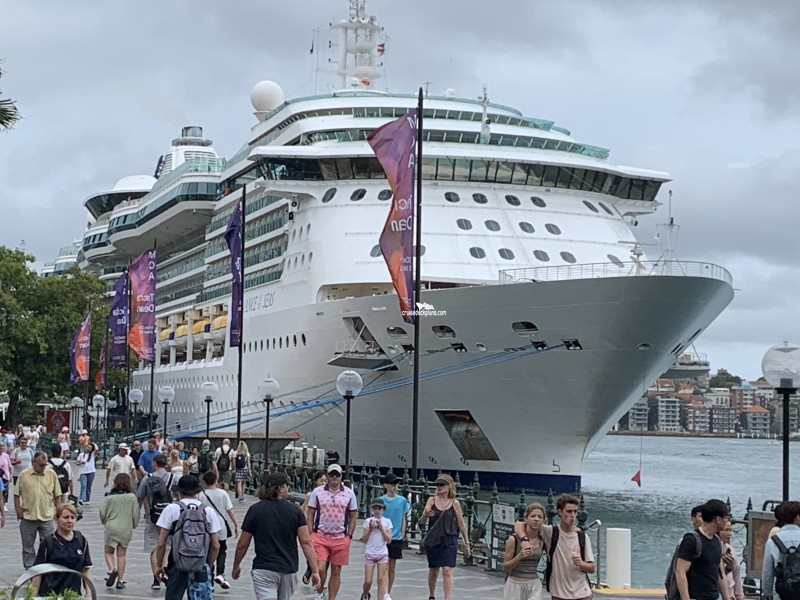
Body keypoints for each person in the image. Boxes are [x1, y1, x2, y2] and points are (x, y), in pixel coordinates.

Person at [232, 472, 321, 600]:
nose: (288, 489)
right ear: (280, 488)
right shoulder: (295, 511)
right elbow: (306, 542)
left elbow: (243, 543)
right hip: (288, 569)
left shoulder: (255, 510)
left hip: (264, 568)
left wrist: (236, 565)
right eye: (286, 486)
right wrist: (315, 570)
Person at [155, 474, 222, 600]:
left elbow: (161, 543)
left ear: (179, 491)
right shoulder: (208, 511)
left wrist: (159, 565)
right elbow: (216, 545)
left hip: (177, 563)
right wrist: (208, 564)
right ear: (197, 492)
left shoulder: (172, 509)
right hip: (200, 563)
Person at [307, 463, 359, 600]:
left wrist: (349, 536)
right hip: (320, 535)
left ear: (341, 476)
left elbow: (353, 515)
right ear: (328, 476)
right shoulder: (317, 492)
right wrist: (311, 533)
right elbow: (310, 513)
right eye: (332, 474)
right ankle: (320, 593)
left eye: (337, 474)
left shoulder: (349, 493)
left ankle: (332, 598)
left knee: (336, 570)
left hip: (340, 537)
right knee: (320, 568)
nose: (334, 477)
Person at [420, 474, 471, 600]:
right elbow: (421, 521)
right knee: (433, 570)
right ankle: (431, 595)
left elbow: (461, 523)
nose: (439, 487)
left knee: (447, 570)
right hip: (434, 539)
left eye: (442, 485)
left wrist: (467, 543)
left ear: (449, 487)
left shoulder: (455, 503)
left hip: (450, 538)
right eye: (437, 485)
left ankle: (447, 598)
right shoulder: (432, 500)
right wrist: (426, 515)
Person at [15, 450, 62, 568]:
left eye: (45, 465)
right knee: (27, 546)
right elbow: (16, 494)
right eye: (41, 465)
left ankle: (45, 567)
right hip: (28, 516)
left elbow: (57, 495)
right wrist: (18, 510)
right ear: (33, 462)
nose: (43, 467)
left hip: (47, 516)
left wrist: (59, 512)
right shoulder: (24, 475)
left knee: (49, 544)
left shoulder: (51, 474)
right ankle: (30, 568)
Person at [676, 498, 730, 600]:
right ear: (718, 519)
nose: (727, 521)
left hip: (714, 596)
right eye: (726, 517)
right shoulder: (691, 539)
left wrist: (726, 598)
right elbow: (680, 571)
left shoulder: (717, 541)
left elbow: (720, 573)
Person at [32, 504, 92, 596]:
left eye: (72, 517)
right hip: (51, 595)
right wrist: (32, 596)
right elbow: (38, 571)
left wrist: (89, 593)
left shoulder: (81, 540)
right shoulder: (48, 542)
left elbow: (86, 569)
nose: (69, 521)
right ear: (57, 519)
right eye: (66, 517)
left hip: (73, 595)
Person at [137, 453, 177, 590]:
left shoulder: (147, 478)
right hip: (170, 517)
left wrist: (138, 513)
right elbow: (179, 496)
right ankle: (164, 571)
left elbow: (140, 496)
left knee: (153, 547)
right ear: (166, 464)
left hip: (152, 516)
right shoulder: (173, 478)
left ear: (154, 463)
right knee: (167, 547)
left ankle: (156, 578)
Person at [100, 473, 140, 590]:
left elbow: (102, 513)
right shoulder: (132, 497)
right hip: (125, 528)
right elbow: (136, 514)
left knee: (109, 552)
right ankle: (120, 581)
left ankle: (113, 569)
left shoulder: (109, 497)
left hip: (111, 527)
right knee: (122, 554)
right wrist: (134, 524)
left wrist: (104, 521)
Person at [201, 470, 240, 589]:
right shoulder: (222, 493)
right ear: (216, 480)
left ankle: (209, 577)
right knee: (222, 549)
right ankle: (220, 573)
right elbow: (229, 510)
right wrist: (236, 524)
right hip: (220, 525)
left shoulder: (201, 495)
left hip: (206, 526)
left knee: (208, 551)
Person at [507, 503, 551, 600]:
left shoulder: (542, 540)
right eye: (533, 516)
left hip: (534, 583)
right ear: (526, 518)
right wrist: (519, 557)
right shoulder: (514, 540)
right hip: (515, 584)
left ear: (544, 520)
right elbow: (506, 567)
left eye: (540, 517)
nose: (536, 519)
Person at [380, 472, 411, 598]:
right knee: (384, 565)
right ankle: (384, 592)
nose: (395, 487)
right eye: (392, 484)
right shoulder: (381, 501)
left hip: (396, 537)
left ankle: (388, 591)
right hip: (383, 537)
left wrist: (402, 534)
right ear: (385, 485)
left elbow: (404, 518)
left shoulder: (402, 500)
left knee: (392, 565)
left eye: (396, 484)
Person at [763, 500, 800, 600]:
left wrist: (767, 594)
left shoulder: (773, 541)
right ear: (797, 518)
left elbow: (767, 572)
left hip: (781, 594)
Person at [360, 497, 392, 600]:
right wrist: (370, 529)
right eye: (375, 508)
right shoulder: (368, 521)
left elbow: (389, 540)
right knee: (368, 581)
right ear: (372, 509)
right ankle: (365, 594)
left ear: (383, 510)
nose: (377, 511)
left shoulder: (387, 521)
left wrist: (382, 528)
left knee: (381, 579)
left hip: (382, 553)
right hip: (370, 552)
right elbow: (364, 539)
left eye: (379, 508)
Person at [301, 471, 327, 585]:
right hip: (312, 525)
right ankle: (310, 570)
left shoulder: (330, 495)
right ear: (316, 482)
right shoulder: (311, 495)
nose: (324, 483)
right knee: (312, 549)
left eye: (325, 481)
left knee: (324, 555)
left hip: (324, 527)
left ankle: (321, 576)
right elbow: (305, 510)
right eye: (321, 481)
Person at [719, 521, 743, 600]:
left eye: (730, 530)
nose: (729, 534)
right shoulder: (714, 550)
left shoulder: (731, 550)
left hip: (731, 594)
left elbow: (736, 575)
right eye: (726, 530)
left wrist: (739, 596)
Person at [0, 440, 12, 506]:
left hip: (5, 476)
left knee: (5, 491)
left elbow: (9, 466)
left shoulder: (6, 456)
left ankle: (3, 505)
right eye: (0, 446)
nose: (1, 448)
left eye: (2, 446)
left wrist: (10, 475)